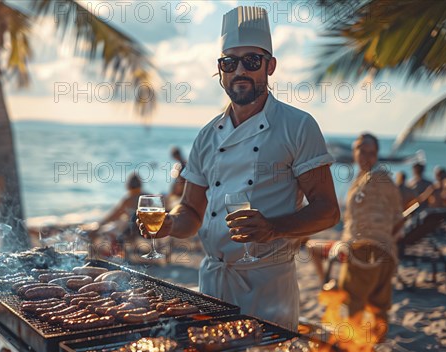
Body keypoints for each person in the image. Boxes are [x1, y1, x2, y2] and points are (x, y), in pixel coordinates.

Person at [137, 6, 339, 330]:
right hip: (213, 287)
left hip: (268, 289)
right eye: (229, 62)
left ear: (270, 66)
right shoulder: (206, 136)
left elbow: (328, 211)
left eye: (252, 61)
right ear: (220, 71)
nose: (239, 71)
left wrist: (272, 228)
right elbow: (190, 211)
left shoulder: (297, 126)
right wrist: (168, 226)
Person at [338, 133, 404, 332]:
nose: (366, 156)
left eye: (371, 153)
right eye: (362, 151)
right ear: (354, 152)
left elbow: (358, 221)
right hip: (387, 252)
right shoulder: (383, 179)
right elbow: (398, 218)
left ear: (376, 155)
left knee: (352, 304)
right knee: (379, 307)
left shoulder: (374, 179)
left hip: (363, 250)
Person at [90, 172, 146, 256]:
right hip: (144, 231)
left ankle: (102, 257)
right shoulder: (148, 197)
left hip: (131, 232)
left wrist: (99, 225)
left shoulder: (129, 199)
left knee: (103, 233)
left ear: (128, 185)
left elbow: (114, 216)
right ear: (141, 185)